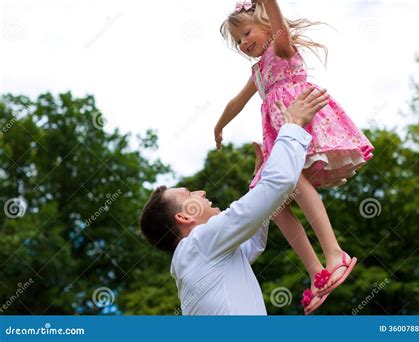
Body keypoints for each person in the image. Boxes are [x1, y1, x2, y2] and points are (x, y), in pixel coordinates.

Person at [215, 0, 375, 313]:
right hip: (279, 136)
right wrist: (219, 126)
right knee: (272, 203)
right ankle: (317, 271)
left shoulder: (281, 47)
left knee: (294, 179)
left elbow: (280, 25)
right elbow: (236, 102)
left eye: (246, 33)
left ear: (264, 25)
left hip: (303, 121)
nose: (243, 43)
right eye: (238, 41)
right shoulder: (258, 71)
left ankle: (335, 252)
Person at [140, 88, 329, 315]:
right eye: (189, 193)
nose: (200, 192)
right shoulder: (198, 245)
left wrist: (258, 182)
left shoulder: (202, 255)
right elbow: (279, 184)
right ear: (183, 217)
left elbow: (253, 242)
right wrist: (293, 125)